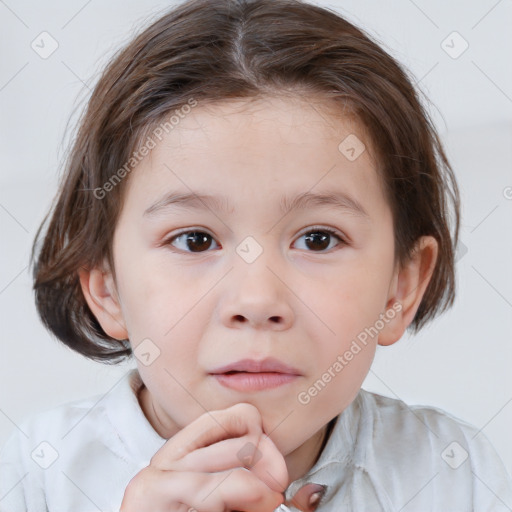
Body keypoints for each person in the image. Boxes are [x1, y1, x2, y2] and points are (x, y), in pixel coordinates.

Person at [1, 0, 511, 510]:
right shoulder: (32, 476)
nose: (257, 299)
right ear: (106, 288)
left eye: (318, 239)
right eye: (195, 240)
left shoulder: (453, 473)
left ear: (399, 288)